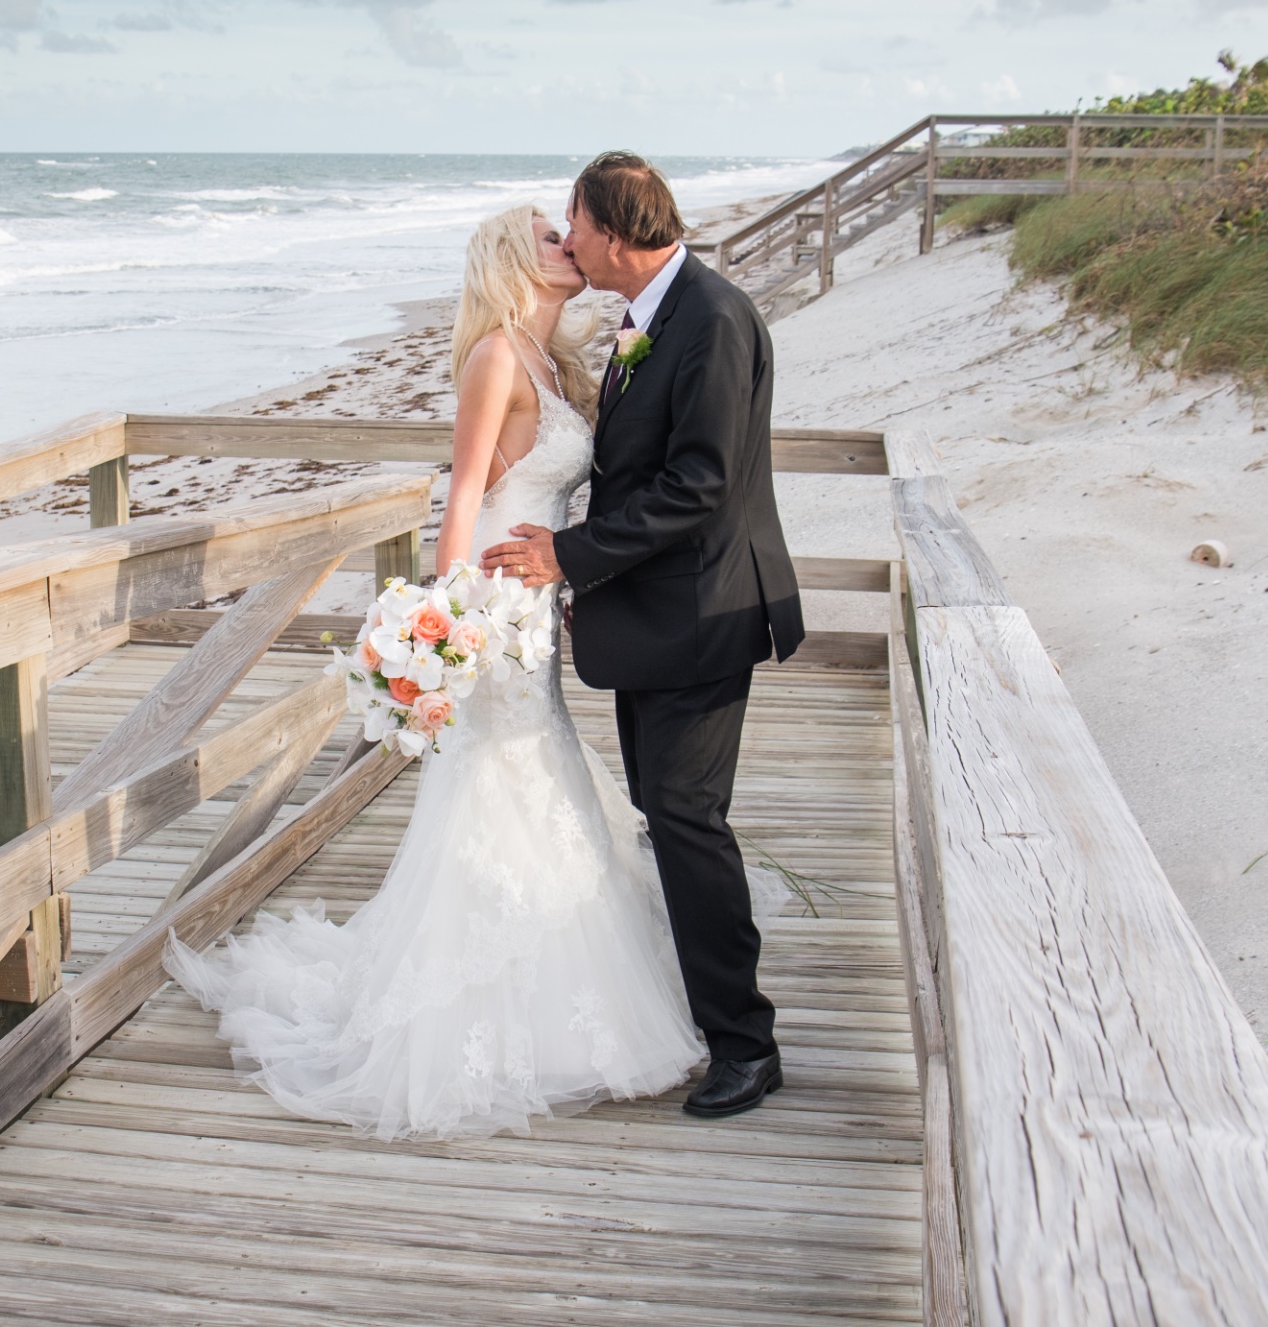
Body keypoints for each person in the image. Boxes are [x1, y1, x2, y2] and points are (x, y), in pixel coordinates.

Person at [164, 203, 706, 1141]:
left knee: (541, 770)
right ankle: (481, 1003)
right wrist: (443, 619)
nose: (566, 244)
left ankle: (551, 971)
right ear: (510, 260)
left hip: (531, 597)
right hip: (492, 595)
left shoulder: (550, 361)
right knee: (497, 772)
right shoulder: (496, 356)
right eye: (548, 236)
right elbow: (462, 492)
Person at [481, 150, 804, 1119]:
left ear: (614, 232)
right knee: (670, 818)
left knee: (688, 819)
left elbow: (699, 484)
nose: (566, 239)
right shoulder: (650, 316)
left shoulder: (710, 318)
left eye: (573, 222)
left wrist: (568, 555)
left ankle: (746, 1044)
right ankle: (705, 1016)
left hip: (705, 613)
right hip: (655, 618)